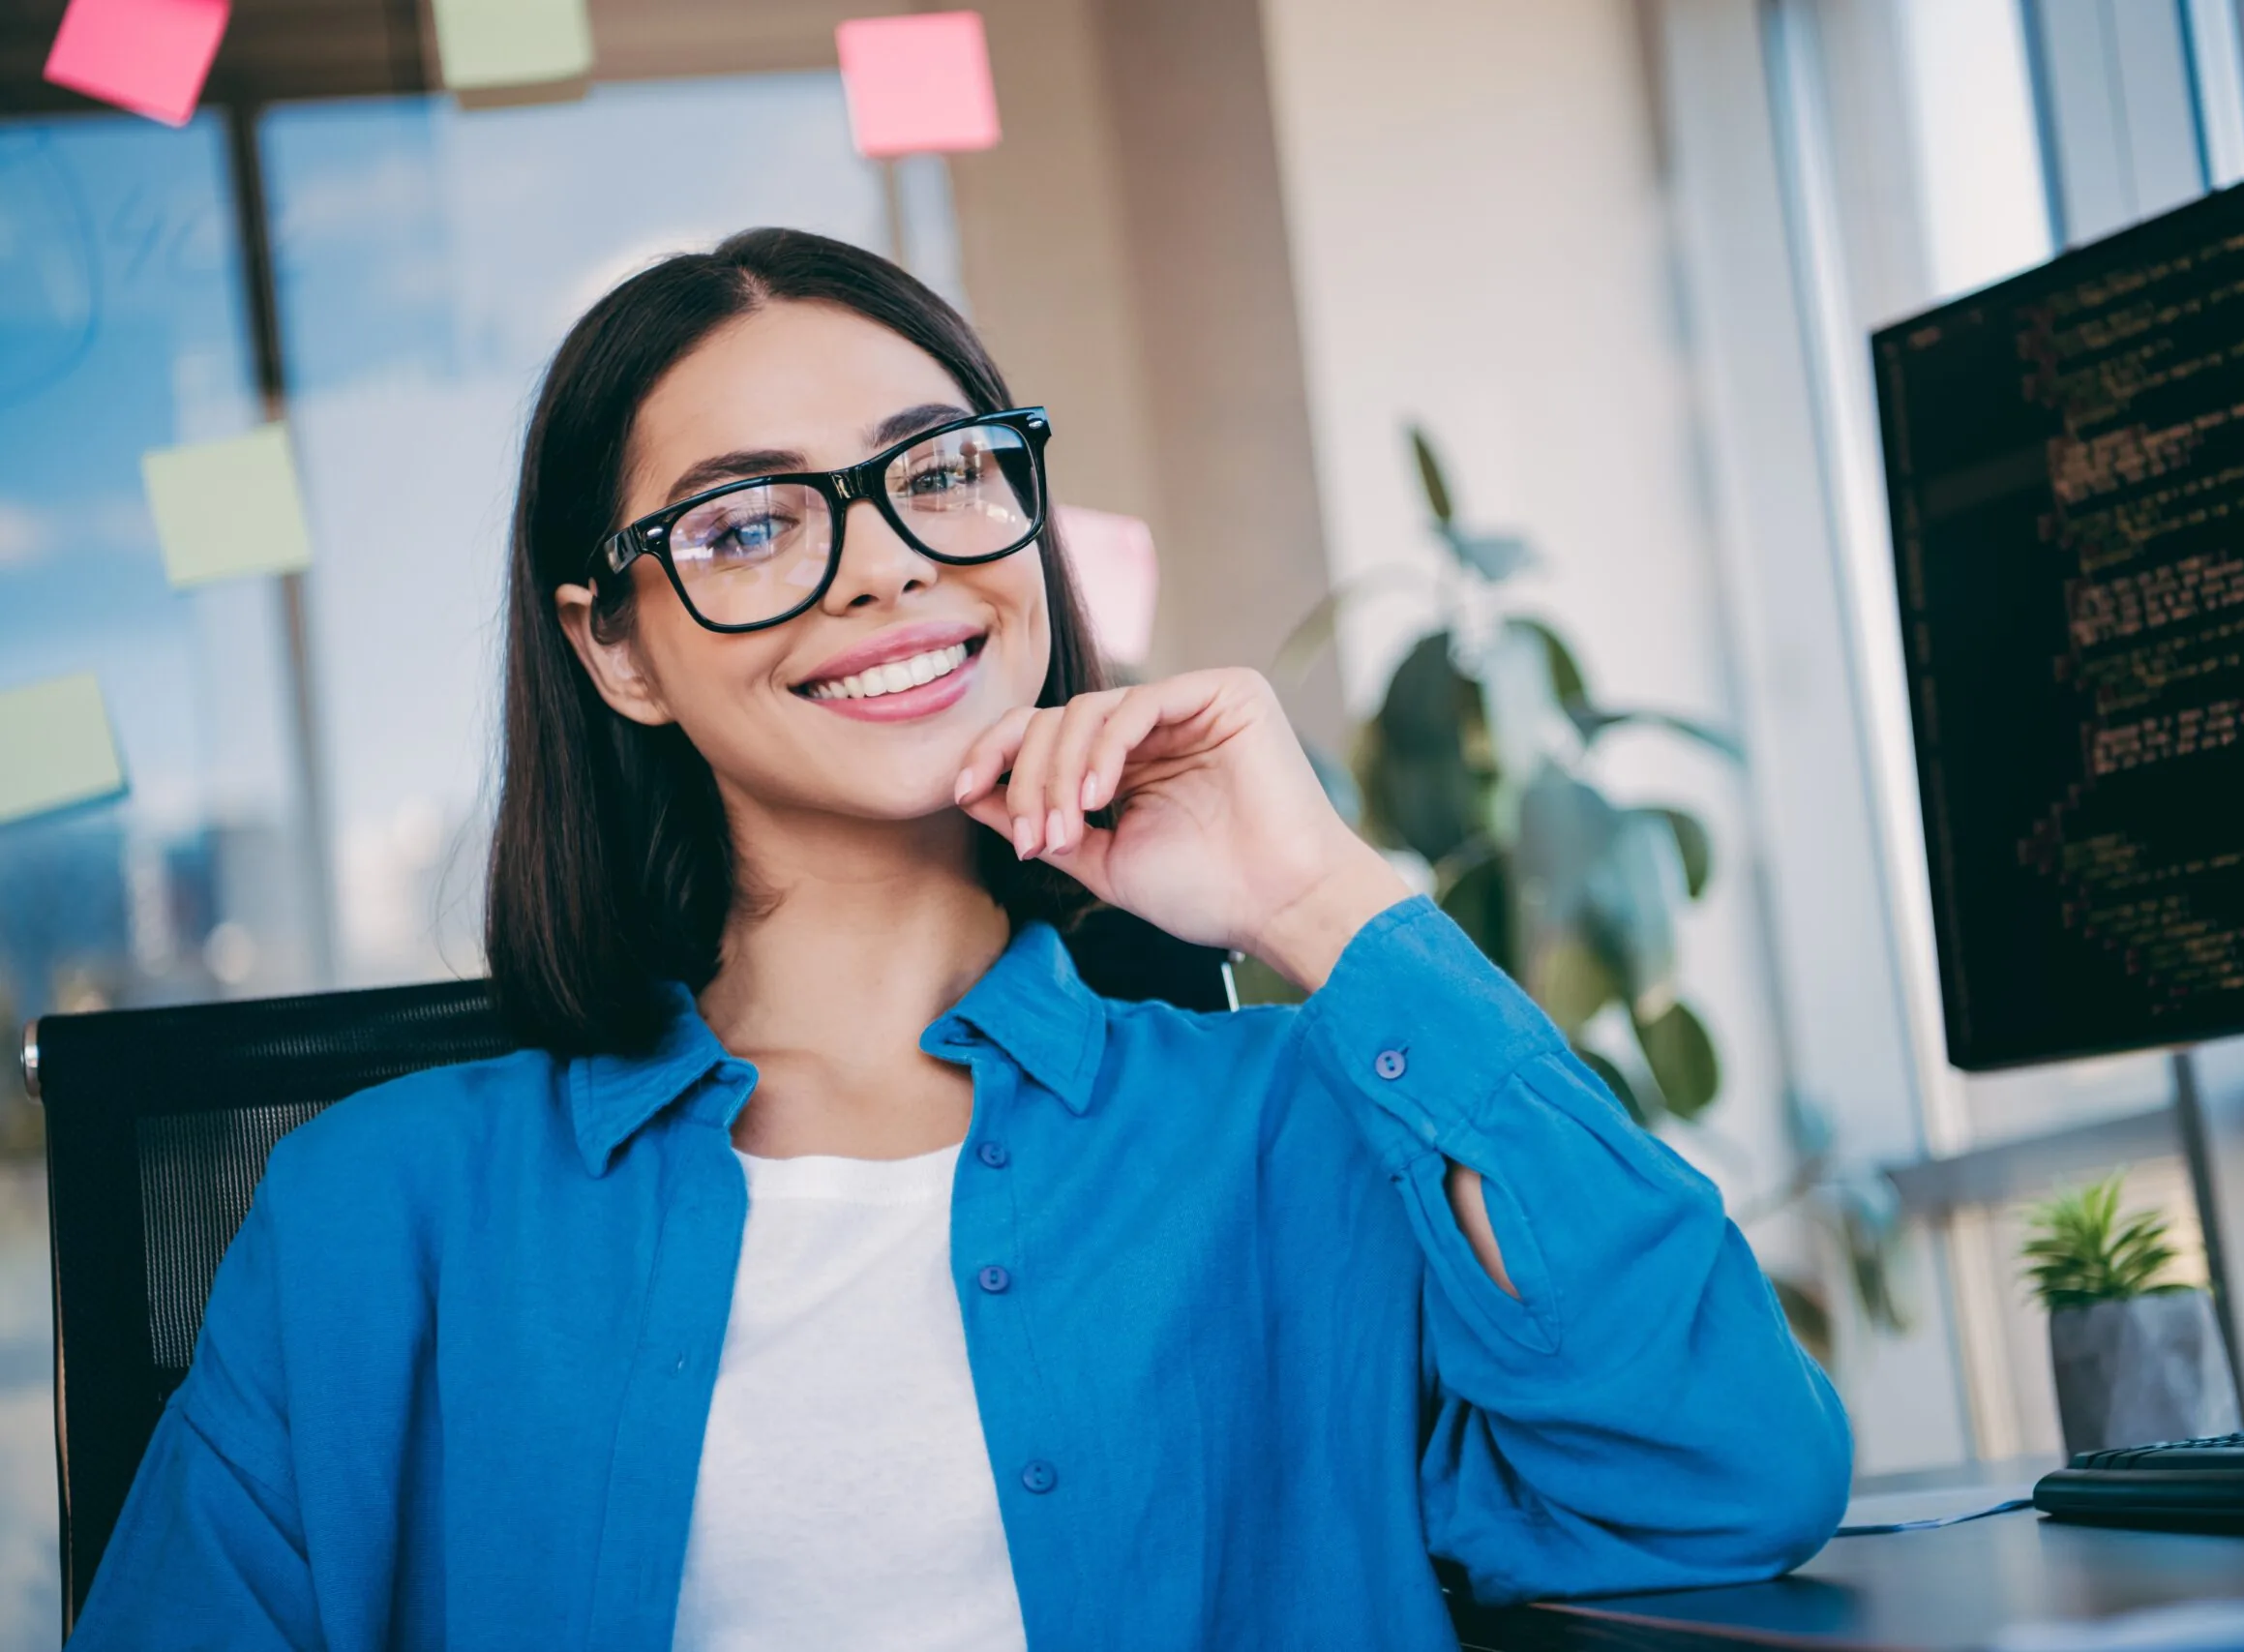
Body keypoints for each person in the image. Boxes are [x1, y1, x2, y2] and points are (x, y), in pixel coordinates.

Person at [69, 228, 1849, 1651]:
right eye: (752, 523)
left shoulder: (1296, 1125)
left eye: (939, 470)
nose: (886, 566)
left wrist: (1320, 896)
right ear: (615, 646)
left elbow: (1719, 1478)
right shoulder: (379, 1212)